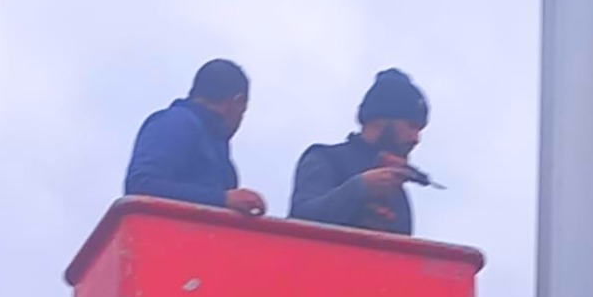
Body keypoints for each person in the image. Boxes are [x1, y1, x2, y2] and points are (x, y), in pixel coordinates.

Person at [288, 69, 430, 235]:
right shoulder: (325, 158)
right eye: (411, 126)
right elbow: (300, 218)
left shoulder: (396, 191)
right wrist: (360, 188)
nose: (416, 138)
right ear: (381, 120)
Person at [124, 60, 266, 215]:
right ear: (237, 101)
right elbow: (141, 185)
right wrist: (221, 198)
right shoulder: (177, 121)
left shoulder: (216, 148)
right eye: (243, 111)